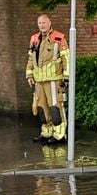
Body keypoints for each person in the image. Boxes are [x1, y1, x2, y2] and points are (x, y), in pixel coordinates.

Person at [25, 14, 69, 144]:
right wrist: (29, 75)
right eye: (40, 23)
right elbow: (30, 58)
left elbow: (66, 58)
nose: (42, 25)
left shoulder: (59, 38)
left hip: (54, 79)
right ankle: (46, 132)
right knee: (41, 108)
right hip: (39, 80)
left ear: (50, 23)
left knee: (55, 107)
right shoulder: (34, 39)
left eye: (44, 22)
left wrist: (66, 77)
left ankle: (59, 135)